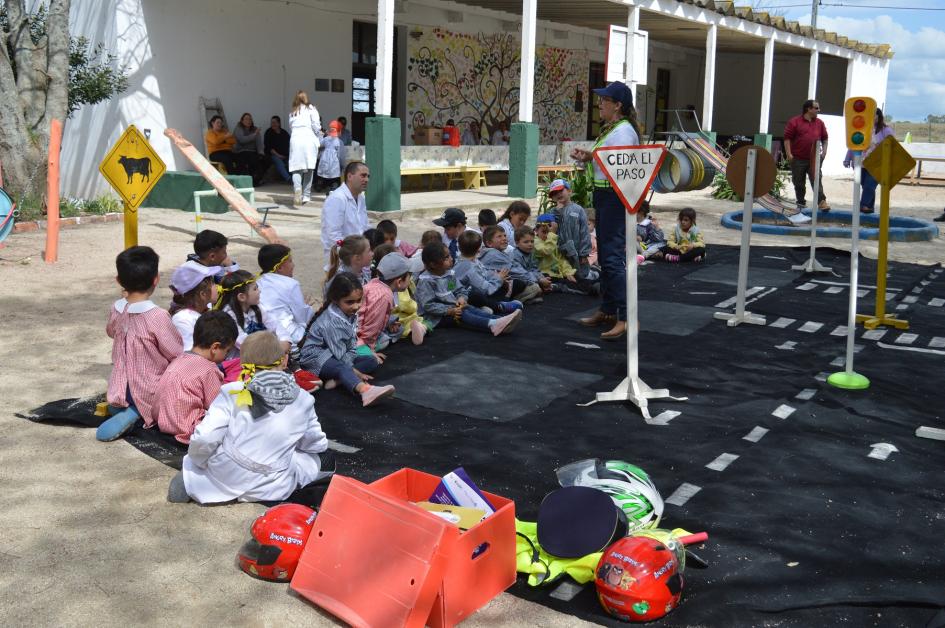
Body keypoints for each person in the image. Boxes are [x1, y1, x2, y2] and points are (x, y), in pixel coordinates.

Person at [170, 331, 333, 505]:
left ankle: (194, 481)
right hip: (272, 486)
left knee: (195, 462)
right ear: (285, 361)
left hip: (226, 476)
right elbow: (316, 444)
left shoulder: (232, 392)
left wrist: (199, 462)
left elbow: (205, 438)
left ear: (244, 365)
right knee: (318, 459)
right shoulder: (304, 400)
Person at [569, 80, 641, 340]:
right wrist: (590, 156)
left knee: (611, 258)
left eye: (605, 100)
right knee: (608, 256)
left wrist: (592, 157)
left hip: (613, 196)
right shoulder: (617, 129)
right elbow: (609, 159)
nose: (600, 104)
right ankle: (609, 309)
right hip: (606, 195)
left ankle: (625, 316)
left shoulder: (622, 132)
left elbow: (619, 164)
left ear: (617, 105)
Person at [96, 246, 183, 442]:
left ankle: (121, 407)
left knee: (121, 397)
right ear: (156, 279)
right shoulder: (157, 316)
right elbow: (175, 352)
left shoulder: (117, 308)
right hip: (147, 389)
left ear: (119, 281)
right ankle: (136, 412)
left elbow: (111, 332)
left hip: (119, 386)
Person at [299, 272, 396, 406]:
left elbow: (350, 343)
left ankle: (339, 380)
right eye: (350, 302)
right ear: (335, 300)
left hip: (336, 354)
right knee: (342, 367)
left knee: (371, 360)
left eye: (359, 300)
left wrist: (362, 355)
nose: (356, 306)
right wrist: (355, 371)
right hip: (316, 357)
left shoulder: (347, 313)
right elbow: (340, 356)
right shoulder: (331, 322)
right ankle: (365, 390)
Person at [153, 311, 238, 444]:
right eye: (227, 351)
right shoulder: (209, 369)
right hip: (186, 428)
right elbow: (217, 405)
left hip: (162, 421)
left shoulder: (179, 358)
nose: (226, 356)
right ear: (215, 347)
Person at [416, 242, 522, 336]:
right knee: (463, 314)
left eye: (449, 255)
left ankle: (499, 320)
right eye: (446, 258)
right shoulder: (426, 281)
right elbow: (429, 305)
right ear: (433, 264)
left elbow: (457, 290)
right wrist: (449, 311)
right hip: (436, 317)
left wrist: (461, 298)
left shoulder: (449, 275)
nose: (451, 258)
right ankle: (492, 324)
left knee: (469, 308)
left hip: (453, 308)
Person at [215, 269, 291, 361]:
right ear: (242, 297)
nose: (259, 291)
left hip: (265, 354)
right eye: (255, 289)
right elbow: (245, 344)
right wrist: (276, 350)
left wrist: (285, 340)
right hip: (241, 361)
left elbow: (276, 325)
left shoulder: (256, 307)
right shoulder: (228, 317)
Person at [359, 252, 427, 351]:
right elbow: (370, 329)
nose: (411, 279)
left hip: (359, 331)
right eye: (410, 276)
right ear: (399, 282)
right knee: (384, 340)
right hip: (357, 338)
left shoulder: (375, 282)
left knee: (399, 329)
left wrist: (388, 323)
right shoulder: (384, 296)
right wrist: (370, 350)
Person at [256, 243, 314, 351]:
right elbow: (302, 317)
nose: (293, 265)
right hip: (290, 339)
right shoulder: (291, 284)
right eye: (290, 261)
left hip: (265, 337)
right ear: (280, 267)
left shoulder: (257, 282)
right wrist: (306, 307)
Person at [453, 230, 523, 314]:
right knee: (475, 295)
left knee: (516, 283)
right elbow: (485, 289)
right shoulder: (468, 267)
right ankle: (499, 306)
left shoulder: (472, 260)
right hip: (471, 295)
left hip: (483, 289)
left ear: (459, 247)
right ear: (479, 249)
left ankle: (489, 306)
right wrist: (498, 279)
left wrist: (496, 276)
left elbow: (484, 274)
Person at [842, 108, 894, 214]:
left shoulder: (886, 130)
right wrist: (847, 158)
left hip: (877, 163)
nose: (871, 117)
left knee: (870, 185)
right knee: (865, 185)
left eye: (874, 115)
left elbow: (892, 146)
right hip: (860, 162)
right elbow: (854, 144)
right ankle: (869, 209)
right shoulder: (861, 128)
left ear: (879, 117)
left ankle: (863, 205)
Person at [321, 161, 370, 269]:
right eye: (363, 175)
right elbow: (332, 236)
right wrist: (352, 254)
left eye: (368, 176)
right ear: (349, 176)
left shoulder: (361, 198)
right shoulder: (337, 199)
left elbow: (365, 227)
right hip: (341, 262)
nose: (366, 179)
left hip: (358, 259)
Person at [784, 99, 830, 212]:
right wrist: (789, 154)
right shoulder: (794, 122)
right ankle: (800, 203)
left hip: (814, 158)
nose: (818, 110)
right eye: (816, 108)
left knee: (817, 180)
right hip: (798, 158)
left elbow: (825, 138)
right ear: (808, 109)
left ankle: (822, 202)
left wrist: (824, 152)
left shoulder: (820, 123)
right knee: (799, 182)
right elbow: (787, 139)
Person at [479, 225, 545, 302]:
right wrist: (539, 280)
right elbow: (517, 272)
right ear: (489, 243)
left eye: (505, 235)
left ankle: (528, 295)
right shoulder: (493, 254)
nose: (504, 238)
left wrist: (540, 278)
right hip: (492, 290)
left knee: (530, 284)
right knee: (526, 285)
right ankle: (515, 300)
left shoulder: (499, 253)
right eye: (499, 236)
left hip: (497, 286)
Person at [169, 261, 221, 351]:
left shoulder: (201, 310)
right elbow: (189, 356)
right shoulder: (183, 320)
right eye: (212, 282)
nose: (216, 286)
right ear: (203, 294)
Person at [548, 179, 593, 277]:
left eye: (561, 191)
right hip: (559, 252)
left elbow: (584, 232)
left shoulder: (578, 210)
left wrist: (584, 253)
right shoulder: (552, 211)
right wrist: (557, 212)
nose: (558, 194)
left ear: (569, 191)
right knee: (563, 274)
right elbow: (551, 229)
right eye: (555, 193)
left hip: (577, 251)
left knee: (581, 275)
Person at [288, 90, 323, 206]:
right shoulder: (312, 109)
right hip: (308, 138)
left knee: (296, 168)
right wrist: (320, 135)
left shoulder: (293, 112)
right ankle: (306, 195)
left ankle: (297, 189)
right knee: (309, 168)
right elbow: (316, 125)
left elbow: (291, 128)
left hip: (296, 139)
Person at [233, 113, 266, 186]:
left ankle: (257, 180)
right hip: (240, 151)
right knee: (249, 159)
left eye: (250, 119)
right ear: (242, 120)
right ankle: (249, 181)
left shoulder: (254, 129)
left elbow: (259, 142)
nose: (249, 121)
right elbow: (242, 140)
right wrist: (254, 135)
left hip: (252, 151)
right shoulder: (238, 128)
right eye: (246, 119)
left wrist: (261, 152)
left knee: (265, 159)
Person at [316, 120, 344, 193]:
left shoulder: (326, 139)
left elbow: (319, 144)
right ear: (339, 131)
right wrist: (342, 164)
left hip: (324, 159)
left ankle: (320, 184)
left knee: (323, 173)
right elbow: (340, 155)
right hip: (334, 162)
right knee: (334, 176)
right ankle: (333, 186)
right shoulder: (339, 142)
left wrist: (321, 136)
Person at [264, 115, 292, 183]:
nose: (273, 124)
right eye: (272, 123)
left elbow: (290, 144)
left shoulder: (284, 133)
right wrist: (279, 156)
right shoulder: (268, 132)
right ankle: (289, 179)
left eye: (275, 122)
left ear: (279, 123)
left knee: (292, 161)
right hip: (273, 155)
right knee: (279, 162)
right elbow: (269, 148)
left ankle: (297, 178)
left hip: (285, 155)